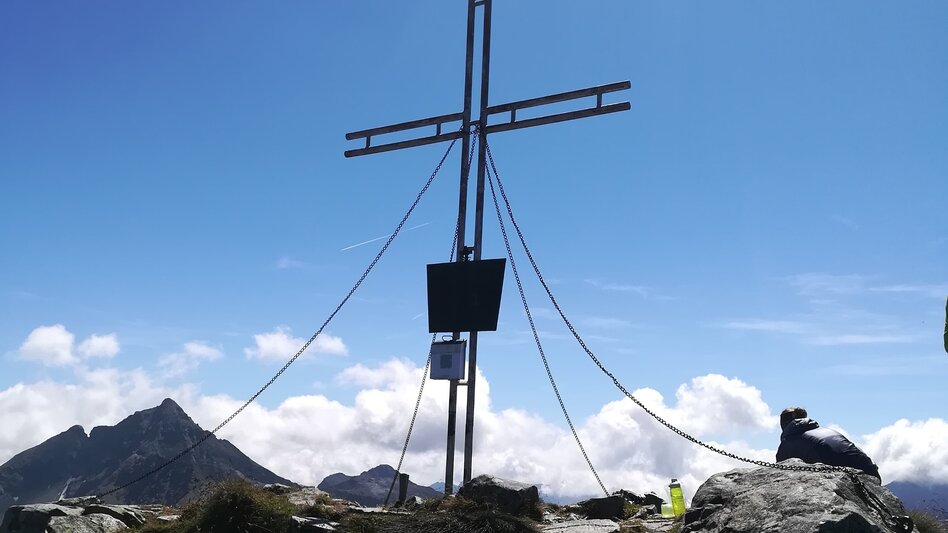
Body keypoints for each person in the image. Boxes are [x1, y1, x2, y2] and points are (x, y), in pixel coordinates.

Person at [776, 407, 881, 481]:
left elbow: (781, 472)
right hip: (870, 471)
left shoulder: (788, 444)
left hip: (848, 478)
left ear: (784, 424)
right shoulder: (826, 431)